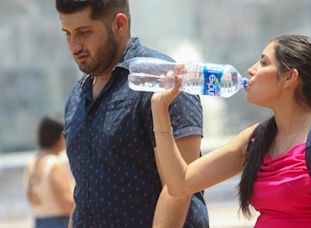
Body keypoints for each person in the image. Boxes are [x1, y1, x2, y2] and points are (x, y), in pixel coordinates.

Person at [151, 34, 311, 228]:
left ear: (290, 77)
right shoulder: (257, 137)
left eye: (263, 63)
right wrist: (160, 109)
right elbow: (180, 183)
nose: (251, 70)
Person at [54, 1, 208, 227]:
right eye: (67, 34)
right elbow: (83, 195)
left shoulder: (166, 80)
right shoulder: (77, 96)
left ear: (119, 24)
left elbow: (179, 189)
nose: (74, 46)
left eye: (84, 33)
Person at [24, 116, 74, 228]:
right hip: (60, 222)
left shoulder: (32, 162)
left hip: (39, 222)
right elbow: (67, 203)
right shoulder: (54, 164)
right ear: (61, 136)